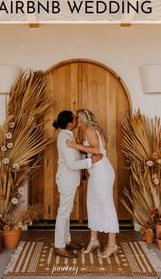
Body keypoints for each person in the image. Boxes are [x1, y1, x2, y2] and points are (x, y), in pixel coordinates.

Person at [66, 108, 119, 258]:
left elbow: (96, 150)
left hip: (101, 172)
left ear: (82, 119)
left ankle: (112, 244)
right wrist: (80, 148)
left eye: (77, 118)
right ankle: (94, 240)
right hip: (99, 171)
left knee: (107, 205)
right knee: (93, 204)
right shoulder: (94, 130)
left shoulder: (89, 130)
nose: (76, 121)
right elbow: (97, 151)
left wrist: (75, 146)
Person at [53, 110, 103, 259]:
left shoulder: (67, 135)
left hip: (69, 180)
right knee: (63, 213)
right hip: (67, 180)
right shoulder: (64, 138)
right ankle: (59, 246)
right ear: (69, 123)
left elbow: (74, 156)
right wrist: (90, 161)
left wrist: (83, 151)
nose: (77, 120)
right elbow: (71, 164)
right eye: (75, 119)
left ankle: (66, 240)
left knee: (67, 211)